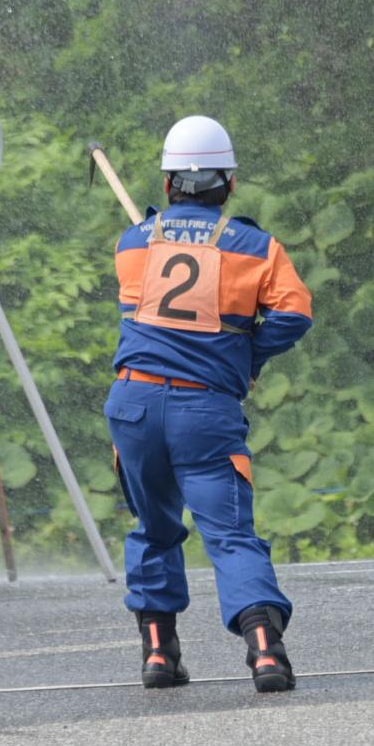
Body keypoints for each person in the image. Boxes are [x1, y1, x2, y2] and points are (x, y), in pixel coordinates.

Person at [106, 115, 314, 693]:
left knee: (153, 527)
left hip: (135, 405)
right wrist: (246, 355)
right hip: (204, 412)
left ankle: (158, 654)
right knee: (230, 536)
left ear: (169, 184)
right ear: (230, 184)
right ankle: (267, 654)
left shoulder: (131, 244)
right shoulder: (256, 248)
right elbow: (295, 313)